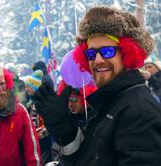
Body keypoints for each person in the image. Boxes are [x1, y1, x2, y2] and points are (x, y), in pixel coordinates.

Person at [34, 6, 161, 166]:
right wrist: (66, 132)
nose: (98, 60)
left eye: (107, 52)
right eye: (91, 54)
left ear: (128, 53)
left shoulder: (138, 111)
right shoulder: (110, 102)